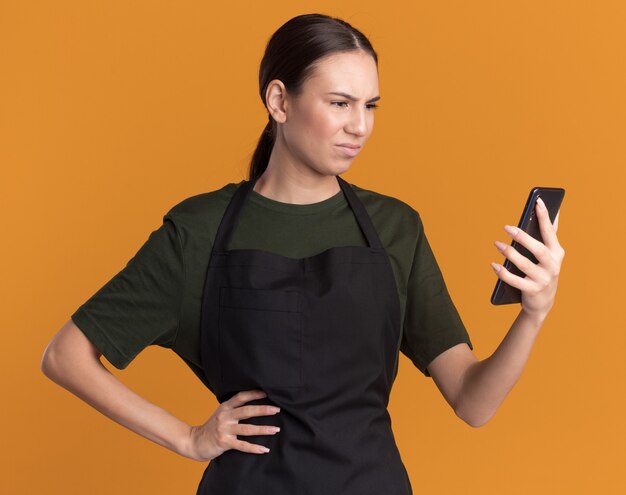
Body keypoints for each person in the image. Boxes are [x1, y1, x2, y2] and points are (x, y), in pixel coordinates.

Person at [40, 12, 565, 495]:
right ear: (279, 101)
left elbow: (474, 403)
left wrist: (533, 314)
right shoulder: (197, 231)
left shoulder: (395, 228)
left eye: (370, 106)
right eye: (340, 103)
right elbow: (66, 356)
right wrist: (188, 438)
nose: (360, 126)